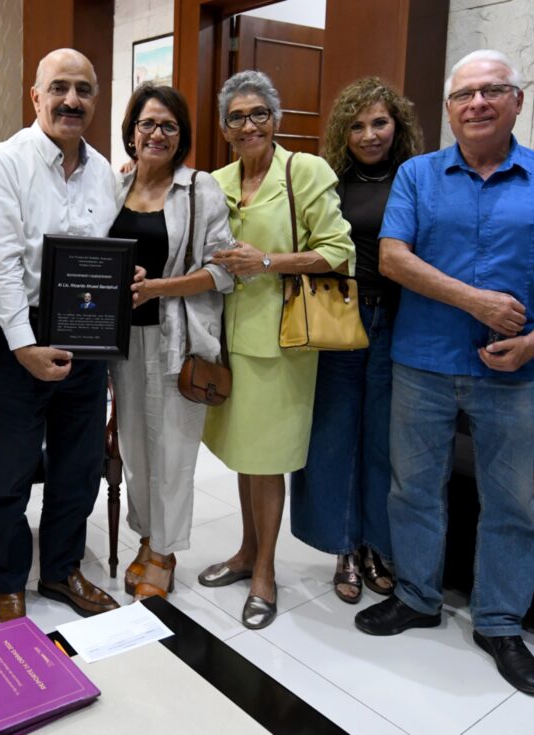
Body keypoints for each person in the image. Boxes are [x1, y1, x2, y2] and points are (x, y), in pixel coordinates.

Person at [354, 50, 534, 697]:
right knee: (413, 489)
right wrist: (476, 301)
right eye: (465, 93)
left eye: (493, 90)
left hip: (517, 373)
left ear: (517, 100)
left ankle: (499, 621)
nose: (477, 103)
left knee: (512, 504)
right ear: (449, 107)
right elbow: (392, 258)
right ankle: (416, 595)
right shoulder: (417, 175)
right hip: (422, 363)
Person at [0, 49, 137, 625]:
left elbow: (99, 256)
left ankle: (62, 569)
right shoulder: (4, 163)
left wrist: (123, 279)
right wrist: (23, 346)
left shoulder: (103, 172)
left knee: (78, 463)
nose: (72, 100)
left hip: (85, 333)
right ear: (36, 96)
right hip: (15, 338)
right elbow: (1, 265)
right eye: (60, 88)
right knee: (9, 472)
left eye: (84, 90)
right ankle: (9, 585)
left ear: (96, 99)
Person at [199, 70, 355, 629]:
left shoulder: (304, 172)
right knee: (245, 457)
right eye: (236, 117)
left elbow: (338, 250)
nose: (248, 125)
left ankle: (264, 571)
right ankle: (244, 552)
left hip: (282, 342)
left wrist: (268, 261)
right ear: (224, 128)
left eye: (258, 113)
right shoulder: (214, 181)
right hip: (226, 342)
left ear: (277, 119)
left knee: (267, 464)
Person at [288, 78, 423, 604]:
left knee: (385, 441)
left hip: (402, 319)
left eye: (379, 123)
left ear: (398, 126)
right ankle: (343, 547)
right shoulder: (330, 182)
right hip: (338, 317)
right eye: (357, 125)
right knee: (335, 436)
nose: (368, 134)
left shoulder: (418, 177)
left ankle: (376, 546)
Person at [111, 83, 235, 600]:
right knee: (136, 450)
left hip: (176, 339)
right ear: (131, 132)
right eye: (147, 124)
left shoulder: (199, 189)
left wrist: (159, 288)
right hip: (119, 341)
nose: (156, 134)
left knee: (174, 451)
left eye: (169, 126)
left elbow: (223, 272)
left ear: (180, 136)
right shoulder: (114, 187)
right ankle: (147, 537)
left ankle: (164, 551)